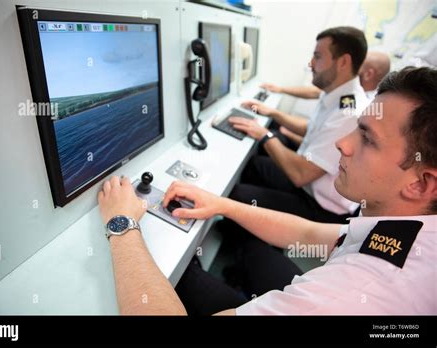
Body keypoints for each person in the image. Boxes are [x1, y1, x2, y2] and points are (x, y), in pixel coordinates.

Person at [98, 67, 437, 315]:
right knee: (244, 241)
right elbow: (311, 233)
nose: (342, 144)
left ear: (422, 183)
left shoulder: (353, 294)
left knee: (178, 274)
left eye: (367, 138)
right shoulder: (411, 229)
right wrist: (222, 204)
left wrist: (123, 224)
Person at [228, 27, 369, 224]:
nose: (311, 64)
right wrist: (274, 113)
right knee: (254, 166)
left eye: (317, 57)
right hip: (309, 182)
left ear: (343, 62)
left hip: (319, 204)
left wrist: (265, 134)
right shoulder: (339, 94)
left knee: (238, 195)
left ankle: (256, 243)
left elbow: (300, 174)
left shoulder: (349, 115)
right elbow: (312, 129)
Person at [260, 51, 391, 101]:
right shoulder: (350, 91)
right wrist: (280, 89)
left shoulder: (358, 102)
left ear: (368, 74)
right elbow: (316, 92)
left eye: (356, 65)